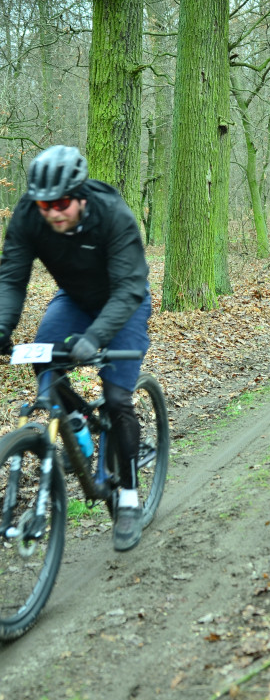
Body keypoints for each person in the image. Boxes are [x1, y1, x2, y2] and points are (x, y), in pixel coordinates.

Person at [0, 145, 151, 551]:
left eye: (62, 202)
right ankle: (78, 425)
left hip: (124, 302)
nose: (52, 212)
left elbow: (129, 288)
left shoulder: (111, 214)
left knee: (118, 398)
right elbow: (12, 278)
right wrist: (1, 326)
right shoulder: (30, 216)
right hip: (73, 300)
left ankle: (130, 499)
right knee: (43, 365)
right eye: (44, 203)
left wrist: (95, 339)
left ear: (80, 196)